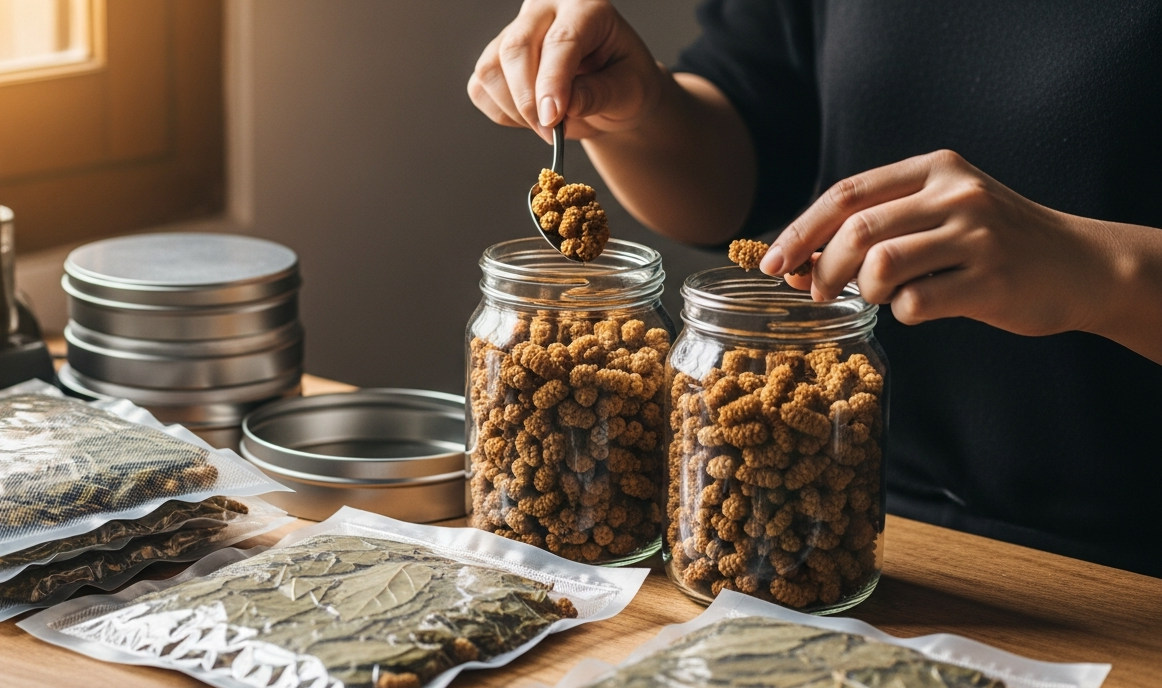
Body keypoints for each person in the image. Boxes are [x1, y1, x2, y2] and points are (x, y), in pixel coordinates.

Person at [468, 0, 1162, 576]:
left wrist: (1105, 271)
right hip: (862, 533)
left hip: (1126, 567)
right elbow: (745, 154)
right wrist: (641, 108)